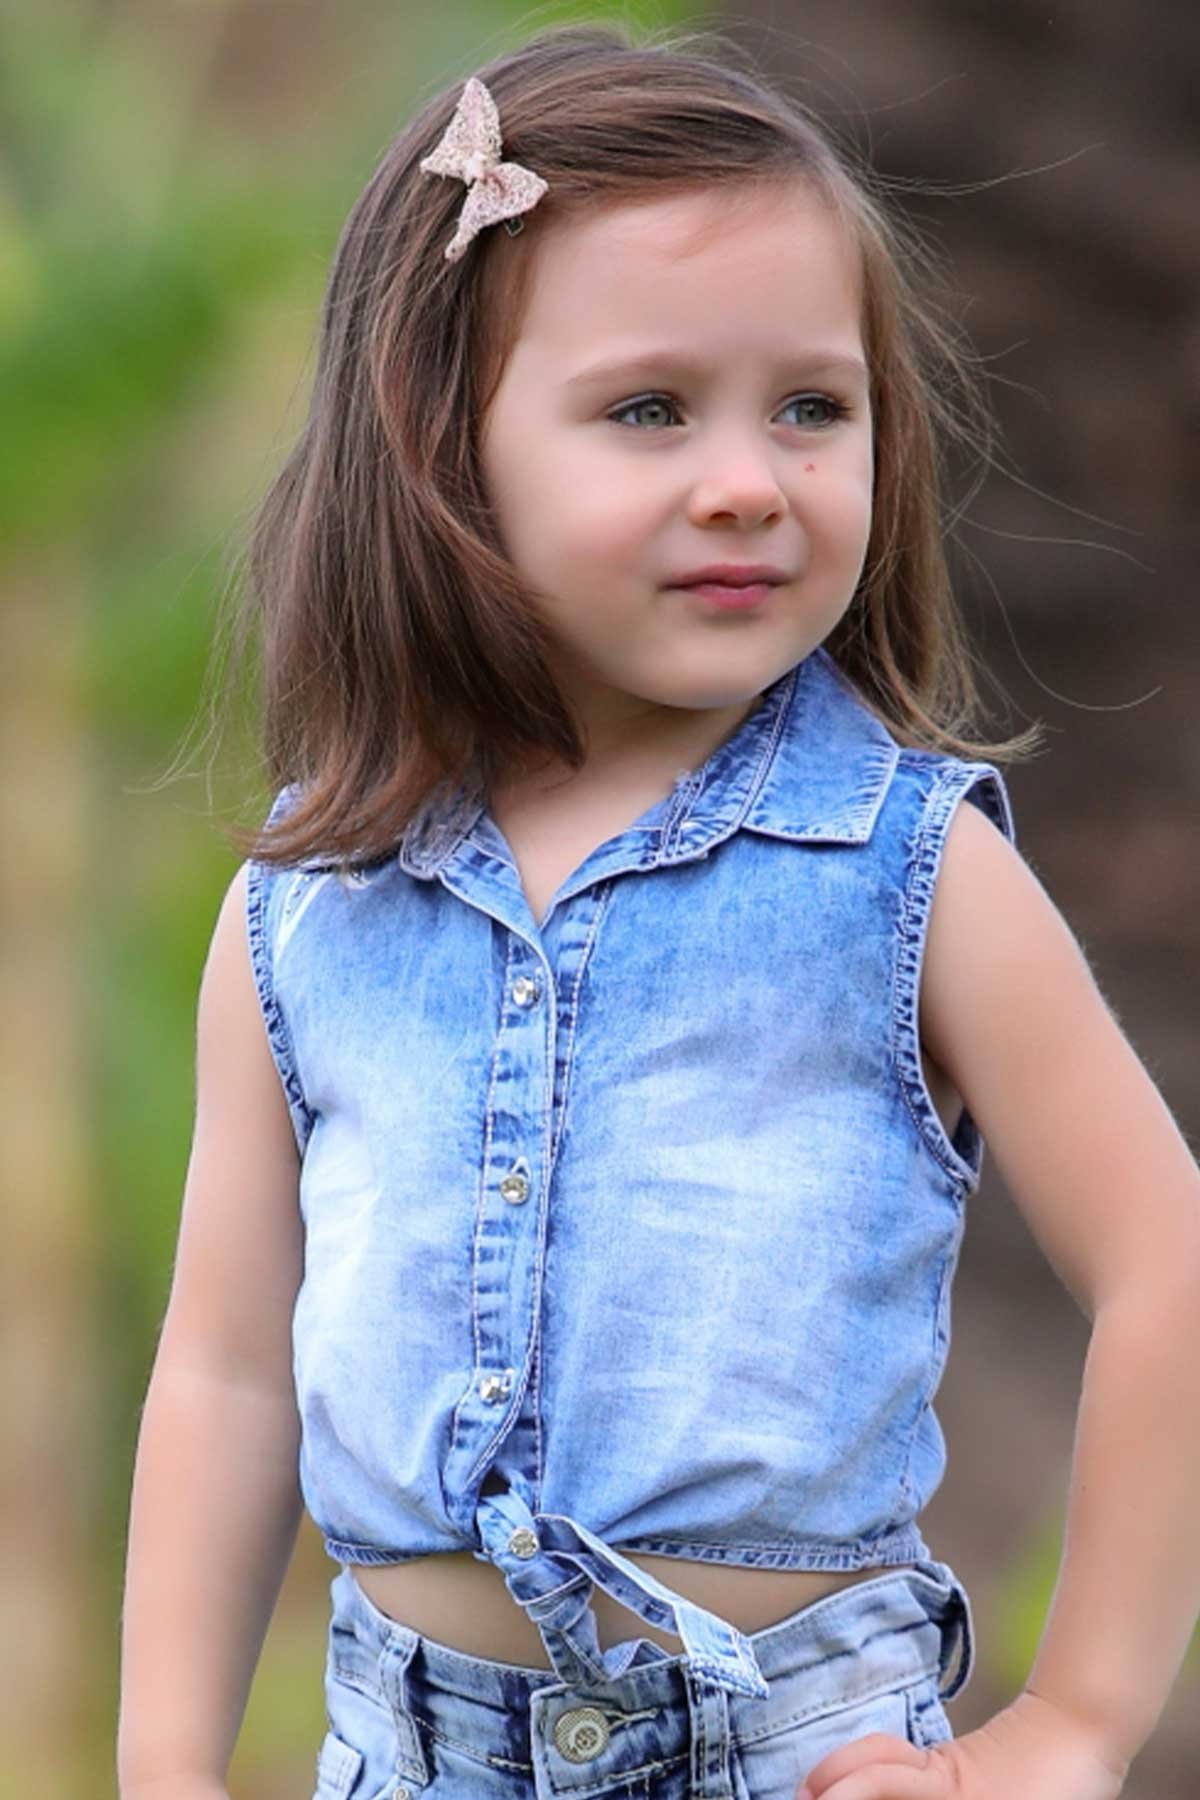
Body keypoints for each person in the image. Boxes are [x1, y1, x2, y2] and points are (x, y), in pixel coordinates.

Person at [116, 21, 1200, 1800]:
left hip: (793, 1755)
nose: (749, 481)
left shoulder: (908, 870)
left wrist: (1075, 1724)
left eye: (813, 408)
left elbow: (1166, 1264)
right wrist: (166, 1763)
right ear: (440, 447)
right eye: (648, 411)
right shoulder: (309, 909)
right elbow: (229, 1368)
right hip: (405, 1759)